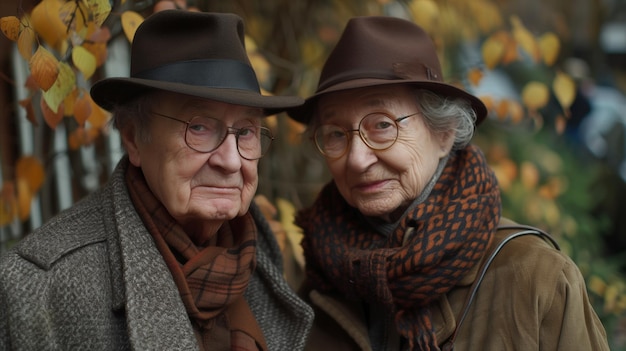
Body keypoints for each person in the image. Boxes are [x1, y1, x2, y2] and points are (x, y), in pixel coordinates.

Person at [287, 16, 610, 351]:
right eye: (336, 134)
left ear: (443, 134)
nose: (356, 158)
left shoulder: (537, 277)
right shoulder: (316, 278)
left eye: (382, 125)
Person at [0, 10, 313, 351]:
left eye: (247, 131)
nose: (232, 160)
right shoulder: (39, 285)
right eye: (199, 127)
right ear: (134, 139)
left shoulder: (258, 249)